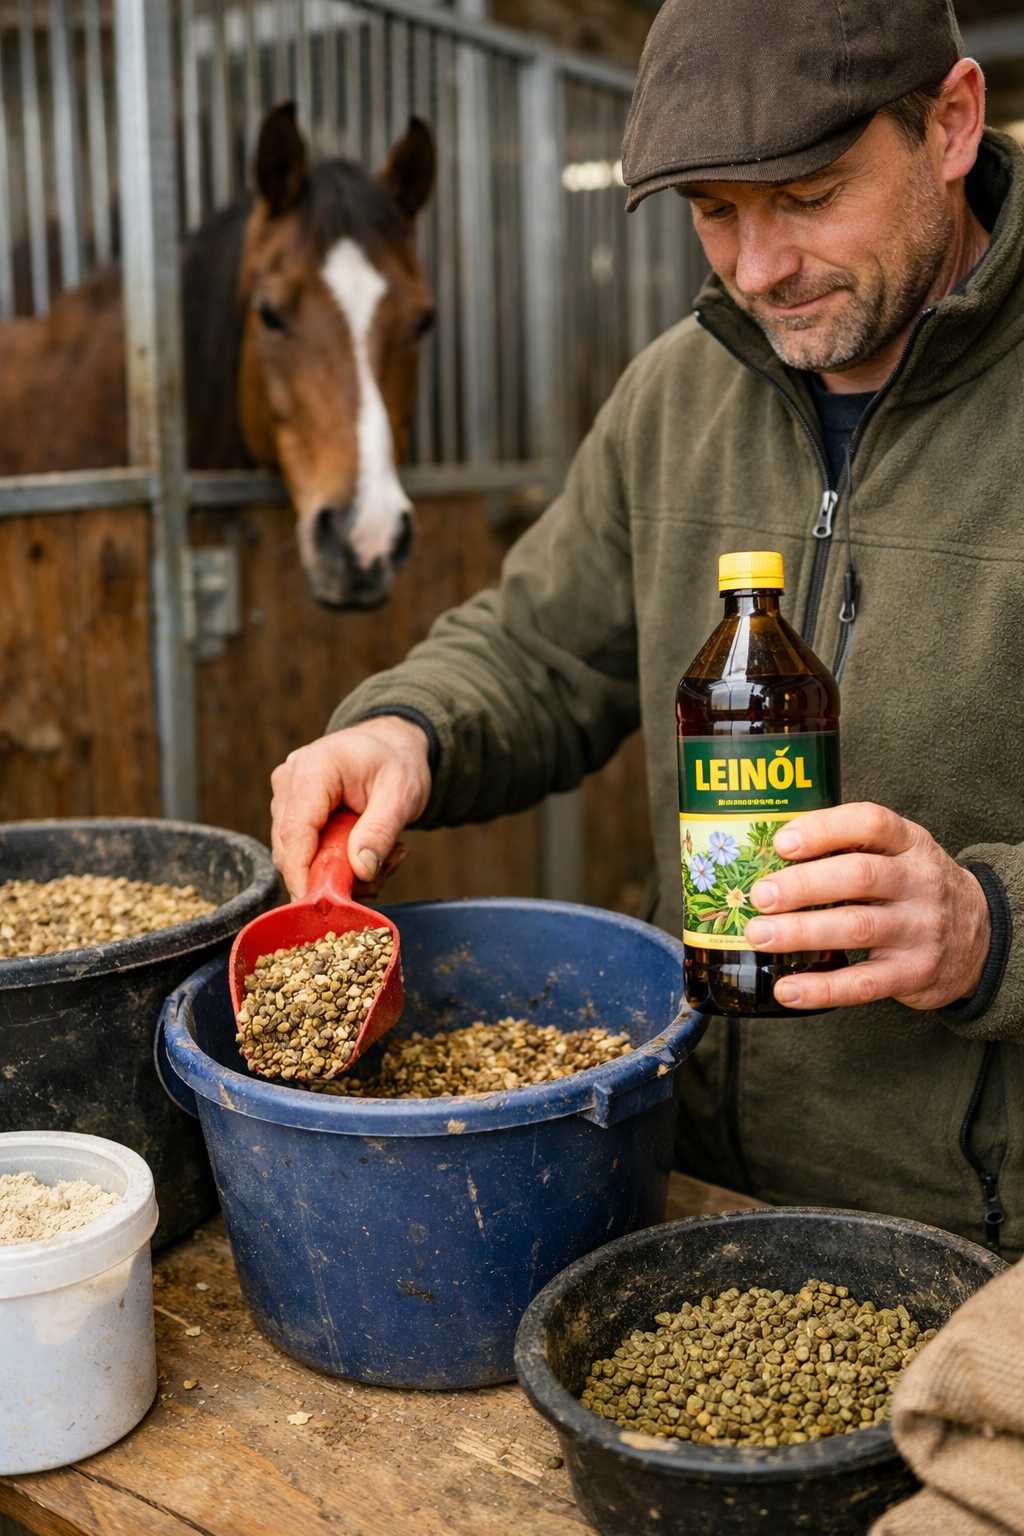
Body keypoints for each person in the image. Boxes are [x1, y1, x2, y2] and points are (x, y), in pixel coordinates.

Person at [269, 0, 1024, 1259]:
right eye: (714, 212)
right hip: (690, 1189)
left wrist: (989, 925)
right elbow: (539, 644)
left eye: (809, 194)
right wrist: (408, 727)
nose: (758, 266)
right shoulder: (679, 390)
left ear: (950, 123)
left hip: (982, 1244)